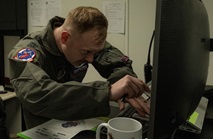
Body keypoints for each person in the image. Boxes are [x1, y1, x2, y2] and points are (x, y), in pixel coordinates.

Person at [8, 6, 150, 129]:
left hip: (76, 124)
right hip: (43, 129)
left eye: (94, 52)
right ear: (65, 38)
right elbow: (38, 94)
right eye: (86, 52)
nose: (90, 59)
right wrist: (107, 92)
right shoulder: (27, 51)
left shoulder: (85, 41)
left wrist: (124, 89)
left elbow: (118, 64)